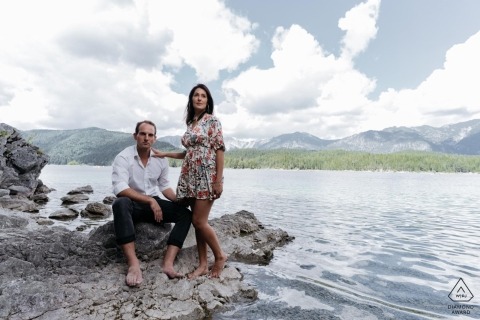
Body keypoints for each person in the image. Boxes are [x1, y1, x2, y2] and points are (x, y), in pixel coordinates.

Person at [153, 83, 227, 279]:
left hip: (206, 177)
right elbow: (189, 153)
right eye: (196, 95)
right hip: (190, 177)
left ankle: (219, 256)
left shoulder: (212, 122)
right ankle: (203, 265)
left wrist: (218, 180)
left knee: (199, 221)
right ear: (192, 99)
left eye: (203, 95)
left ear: (208, 101)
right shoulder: (191, 124)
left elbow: (219, 150)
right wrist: (165, 154)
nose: (200, 98)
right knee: (197, 222)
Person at [111, 120, 192, 287]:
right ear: (135, 136)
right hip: (133, 204)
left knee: (186, 214)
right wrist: (149, 200)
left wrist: (179, 201)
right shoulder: (123, 157)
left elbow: (164, 186)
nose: (146, 138)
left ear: (155, 138)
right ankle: (133, 264)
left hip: (154, 202)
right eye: (142, 134)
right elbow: (120, 188)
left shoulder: (160, 159)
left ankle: (168, 263)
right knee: (120, 204)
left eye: (150, 135)